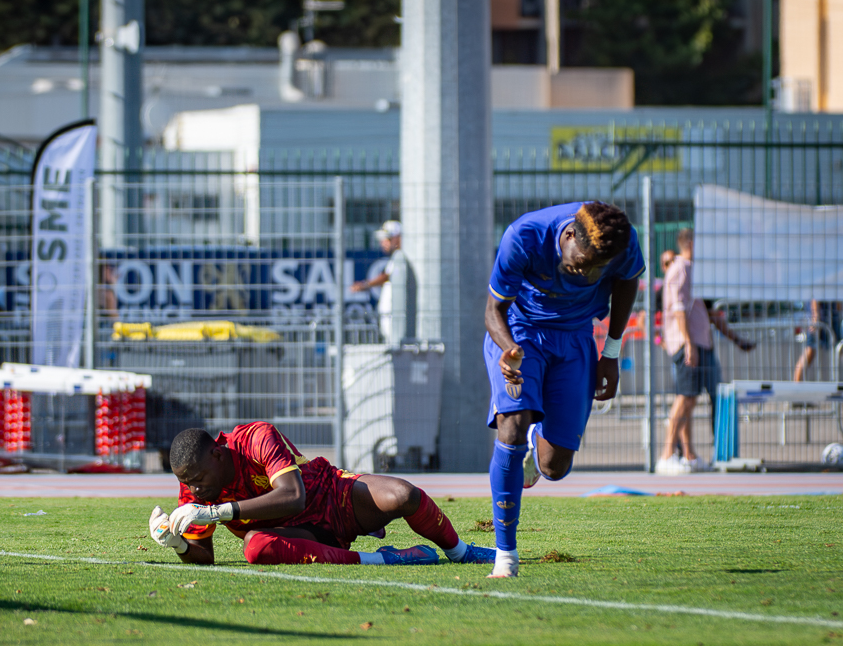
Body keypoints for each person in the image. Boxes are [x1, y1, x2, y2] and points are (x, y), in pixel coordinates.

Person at [484, 201, 645, 578]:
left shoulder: (622, 242)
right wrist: (508, 350)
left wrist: (612, 353)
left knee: (554, 468)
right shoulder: (523, 237)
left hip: (575, 339)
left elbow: (627, 281)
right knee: (513, 421)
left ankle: (536, 444)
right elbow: (493, 309)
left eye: (596, 269)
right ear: (569, 235)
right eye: (581, 262)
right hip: (521, 334)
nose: (586, 274)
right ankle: (505, 554)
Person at [149, 424, 496, 566]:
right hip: (299, 534)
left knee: (404, 494)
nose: (193, 490)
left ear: (218, 454)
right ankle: (387, 559)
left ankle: (461, 552)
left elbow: (294, 496)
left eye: (197, 479)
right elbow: (204, 557)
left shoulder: (256, 437)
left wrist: (216, 512)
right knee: (255, 546)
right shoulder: (194, 485)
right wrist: (178, 545)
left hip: (332, 497)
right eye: (186, 483)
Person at [658, 229, 754, 474]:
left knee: (690, 400)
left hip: (700, 342)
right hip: (687, 343)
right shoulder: (680, 269)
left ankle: (688, 455)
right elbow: (678, 310)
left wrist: (734, 339)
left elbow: (707, 312)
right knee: (685, 397)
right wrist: (689, 343)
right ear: (690, 243)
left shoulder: (692, 270)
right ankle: (667, 454)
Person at [351, 220, 401, 341]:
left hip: (397, 323)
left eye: (387, 239)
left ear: (397, 239)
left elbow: (387, 276)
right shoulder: (395, 258)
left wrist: (366, 285)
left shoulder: (401, 257)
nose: (383, 243)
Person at [793, 300, 842, 382]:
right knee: (810, 350)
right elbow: (815, 296)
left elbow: (838, 305)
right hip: (819, 318)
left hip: (831, 317)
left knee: (840, 348)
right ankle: (797, 384)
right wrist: (815, 316)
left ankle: (797, 384)